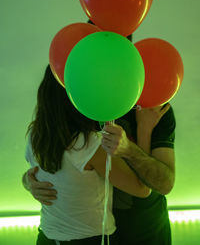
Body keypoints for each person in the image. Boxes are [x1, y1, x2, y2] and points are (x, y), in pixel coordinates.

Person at [23, 24, 176, 245]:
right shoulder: (78, 100)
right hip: (98, 234)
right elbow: (49, 162)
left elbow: (164, 184)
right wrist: (30, 182)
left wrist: (136, 140)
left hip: (145, 231)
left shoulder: (154, 106)